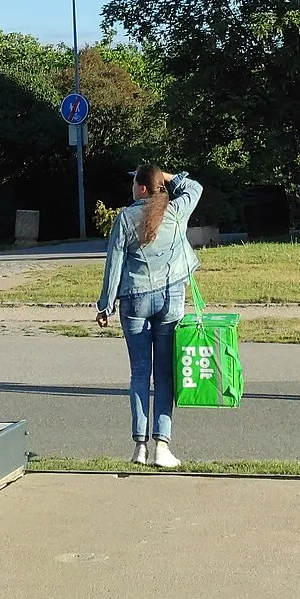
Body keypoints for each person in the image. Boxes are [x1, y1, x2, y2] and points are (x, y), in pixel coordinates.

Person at [95, 161, 203, 468]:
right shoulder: (176, 211)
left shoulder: (126, 218)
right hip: (170, 298)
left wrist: (105, 305)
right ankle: (162, 446)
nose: (131, 189)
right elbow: (195, 187)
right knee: (165, 374)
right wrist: (169, 177)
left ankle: (139, 447)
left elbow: (114, 263)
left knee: (140, 373)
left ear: (141, 188)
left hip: (134, 301)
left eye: (134, 184)